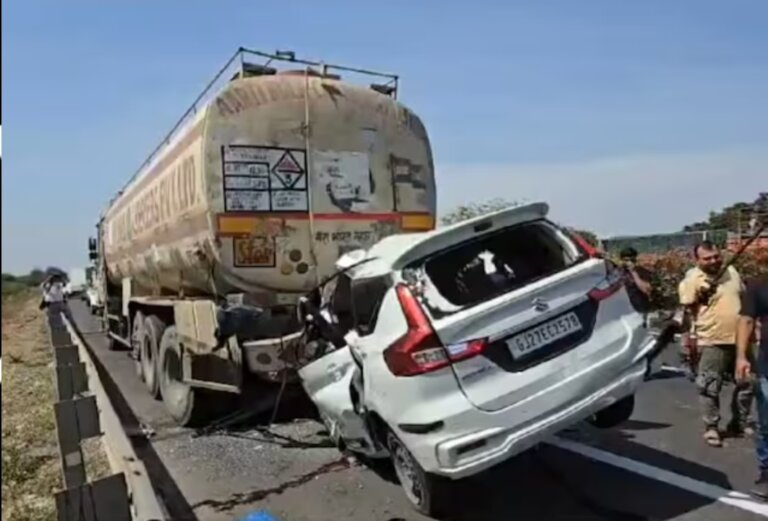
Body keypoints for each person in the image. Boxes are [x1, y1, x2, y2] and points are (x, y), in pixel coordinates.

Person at [678, 240, 753, 447]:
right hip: (712, 339)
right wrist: (700, 295)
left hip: (740, 337)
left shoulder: (731, 271)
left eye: (716, 257)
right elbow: (687, 309)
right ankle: (711, 427)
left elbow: (744, 297)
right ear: (697, 260)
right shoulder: (692, 279)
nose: (713, 261)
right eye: (707, 258)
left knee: (748, 382)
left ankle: (739, 422)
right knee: (710, 386)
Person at [736, 278, 768, 499]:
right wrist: (740, 357)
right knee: (767, 423)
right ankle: (767, 472)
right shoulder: (760, 285)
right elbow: (746, 319)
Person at [618, 247, 653, 315]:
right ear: (621, 260)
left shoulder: (642, 272)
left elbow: (646, 290)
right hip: (623, 309)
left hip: (640, 308)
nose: (629, 262)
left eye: (632, 260)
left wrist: (633, 272)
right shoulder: (617, 272)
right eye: (626, 260)